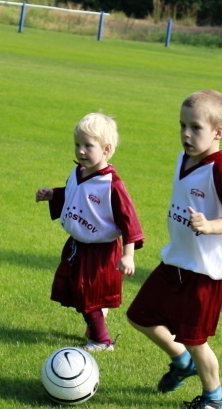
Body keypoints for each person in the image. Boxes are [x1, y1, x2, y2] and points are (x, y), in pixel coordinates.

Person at [126, 90, 222, 409]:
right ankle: (182, 361)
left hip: (206, 271)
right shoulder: (183, 158)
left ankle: (215, 395)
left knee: (195, 338)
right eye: (182, 125)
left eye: (195, 127)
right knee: (139, 316)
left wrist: (212, 225)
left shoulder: (219, 170)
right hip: (176, 259)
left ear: (218, 132)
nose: (186, 133)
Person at [36, 112, 144, 351]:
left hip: (101, 252)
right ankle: (96, 323)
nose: (81, 151)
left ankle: (102, 341)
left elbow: (130, 223)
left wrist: (128, 255)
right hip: (77, 246)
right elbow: (75, 194)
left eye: (88, 146)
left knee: (88, 295)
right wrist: (54, 194)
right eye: (77, 145)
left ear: (106, 149)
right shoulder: (79, 173)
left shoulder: (112, 185)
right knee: (75, 289)